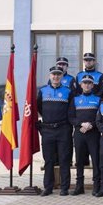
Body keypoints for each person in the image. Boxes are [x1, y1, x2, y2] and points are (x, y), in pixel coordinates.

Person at [37, 66, 75, 196]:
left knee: (64, 159)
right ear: (50, 76)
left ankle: (64, 187)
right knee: (49, 160)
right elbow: (39, 108)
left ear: (62, 76)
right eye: (53, 74)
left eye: (59, 74)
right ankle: (48, 187)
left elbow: (71, 111)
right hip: (47, 130)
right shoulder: (42, 91)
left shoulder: (68, 91)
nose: (56, 76)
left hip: (63, 129)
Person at [70, 74, 102, 196]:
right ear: (81, 84)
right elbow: (71, 117)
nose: (87, 85)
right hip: (80, 133)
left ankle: (96, 186)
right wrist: (81, 124)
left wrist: (91, 125)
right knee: (79, 160)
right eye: (85, 83)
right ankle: (79, 186)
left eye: (89, 83)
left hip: (93, 133)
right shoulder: (75, 99)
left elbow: (101, 117)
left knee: (95, 160)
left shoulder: (98, 99)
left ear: (93, 85)